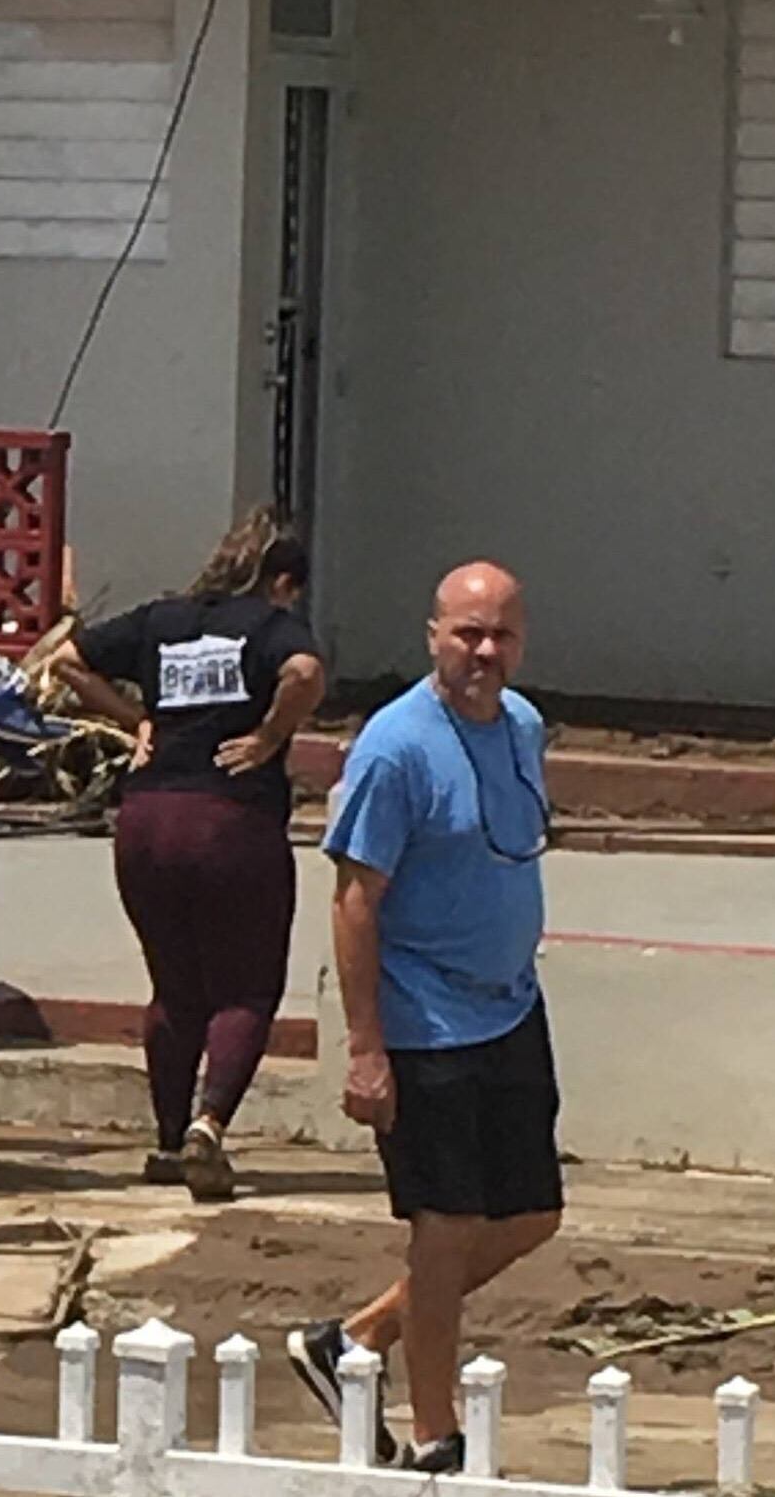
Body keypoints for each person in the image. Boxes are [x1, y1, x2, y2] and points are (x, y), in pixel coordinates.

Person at [283, 563, 556, 1475]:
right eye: (466, 633)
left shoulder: (522, 727)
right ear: (432, 634)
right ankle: (436, 1437)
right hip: (423, 1021)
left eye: (500, 635)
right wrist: (366, 1048)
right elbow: (354, 900)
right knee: (443, 1229)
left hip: (508, 1008)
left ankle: (356, 1338)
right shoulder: (393, 748)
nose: (483, 651)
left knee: (529, 1214)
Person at [46, 506, 326, 1202]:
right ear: (282, 582)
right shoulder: (270, 625)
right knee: (245, 988)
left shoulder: (164, 619)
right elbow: (303, 671)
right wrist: (268, 737)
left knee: (175, 989)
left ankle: (168, 1141)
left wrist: (134, 718)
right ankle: (209, 1124)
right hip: (231, 821)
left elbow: (68, 660)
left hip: (147, 820)